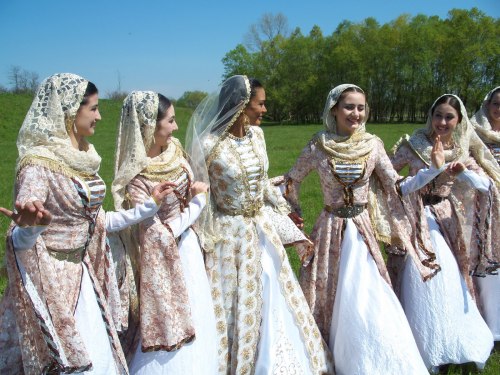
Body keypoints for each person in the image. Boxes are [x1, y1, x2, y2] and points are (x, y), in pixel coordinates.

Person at [0, 73, 173, 374]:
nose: (99, 116)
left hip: (83, 277)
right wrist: (30, 229)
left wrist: (150, 206)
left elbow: (98, 221)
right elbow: (19, 239)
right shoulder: (38, 164)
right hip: (52, 283)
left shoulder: (85, 157)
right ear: (70, 110)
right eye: (92, 108)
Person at [285, 84, 443, 375]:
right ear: (334, 109)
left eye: (360, 107)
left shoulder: (373, 144)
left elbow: (397, 185)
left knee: (368, 293)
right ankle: (329, 353)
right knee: (328, 293)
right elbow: (292, 180)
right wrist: (291, 216)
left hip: (361, 230)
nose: (356, 113)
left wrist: (431, 172)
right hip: (330, 228)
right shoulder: (318, 144)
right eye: (349, 107)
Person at [185, 75, 333, 374]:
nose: (264, 110)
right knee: (235, 306)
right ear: (240, 105)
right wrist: (204, 239)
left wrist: (284, 209)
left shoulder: (257, 136)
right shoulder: (209, 144)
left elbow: (263, 183)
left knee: (274, 292)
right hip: (229, 237)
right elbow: (201, 196)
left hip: (261, 229)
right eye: (260, 104)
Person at [111, 91, 217, 374]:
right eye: (170, 121)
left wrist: (194, 190)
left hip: (189, 249)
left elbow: (192, 182)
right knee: (172, 321)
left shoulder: (175, 150)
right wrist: (198, 203)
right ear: (148, 126)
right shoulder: (136, 175)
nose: (176, 127)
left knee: (199, 314)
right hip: (164, 260)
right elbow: (158, 234)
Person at [390, 94, 499, 370]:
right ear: (430, 115)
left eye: (449, 117)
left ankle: (451, 335)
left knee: (450, 279)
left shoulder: (460, 149)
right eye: (438, 115)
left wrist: (462, 172)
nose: (442, 122)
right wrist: (431, 170)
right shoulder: (413, 145)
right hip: (415, 218)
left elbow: (486, 185)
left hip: (446, 218)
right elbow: (392, 182)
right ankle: (419, 340)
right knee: (421, 278)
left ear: (459, 120)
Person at [468, 86, 500, 341]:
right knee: (483, 259)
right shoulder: (473, 133)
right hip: (480, 204)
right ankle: (484, 317)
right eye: (497, 103)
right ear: (488, 104)